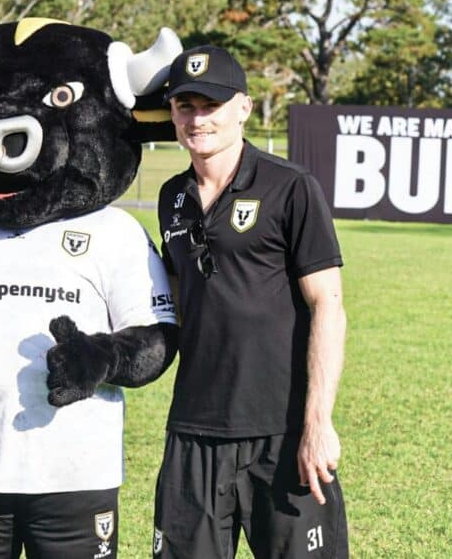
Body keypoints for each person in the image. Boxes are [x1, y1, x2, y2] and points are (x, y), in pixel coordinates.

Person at [153, 45, 349, 558]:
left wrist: (317, 424)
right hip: (193, 433)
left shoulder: (291, 187)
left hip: (281, 436)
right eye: (184, 106)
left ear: (243, 107)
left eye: (210, 105)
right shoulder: (171, 196)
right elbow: (177, 298)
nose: (197, 119)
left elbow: (327, 305)